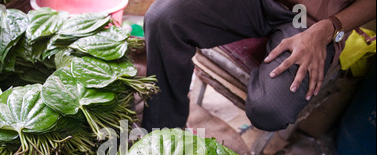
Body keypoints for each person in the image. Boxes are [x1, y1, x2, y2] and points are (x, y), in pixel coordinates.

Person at [140, 0, 376, 132]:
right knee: (165, 17)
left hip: (312, 22)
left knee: (270, 110)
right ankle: (162, 131)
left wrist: (329, 28)